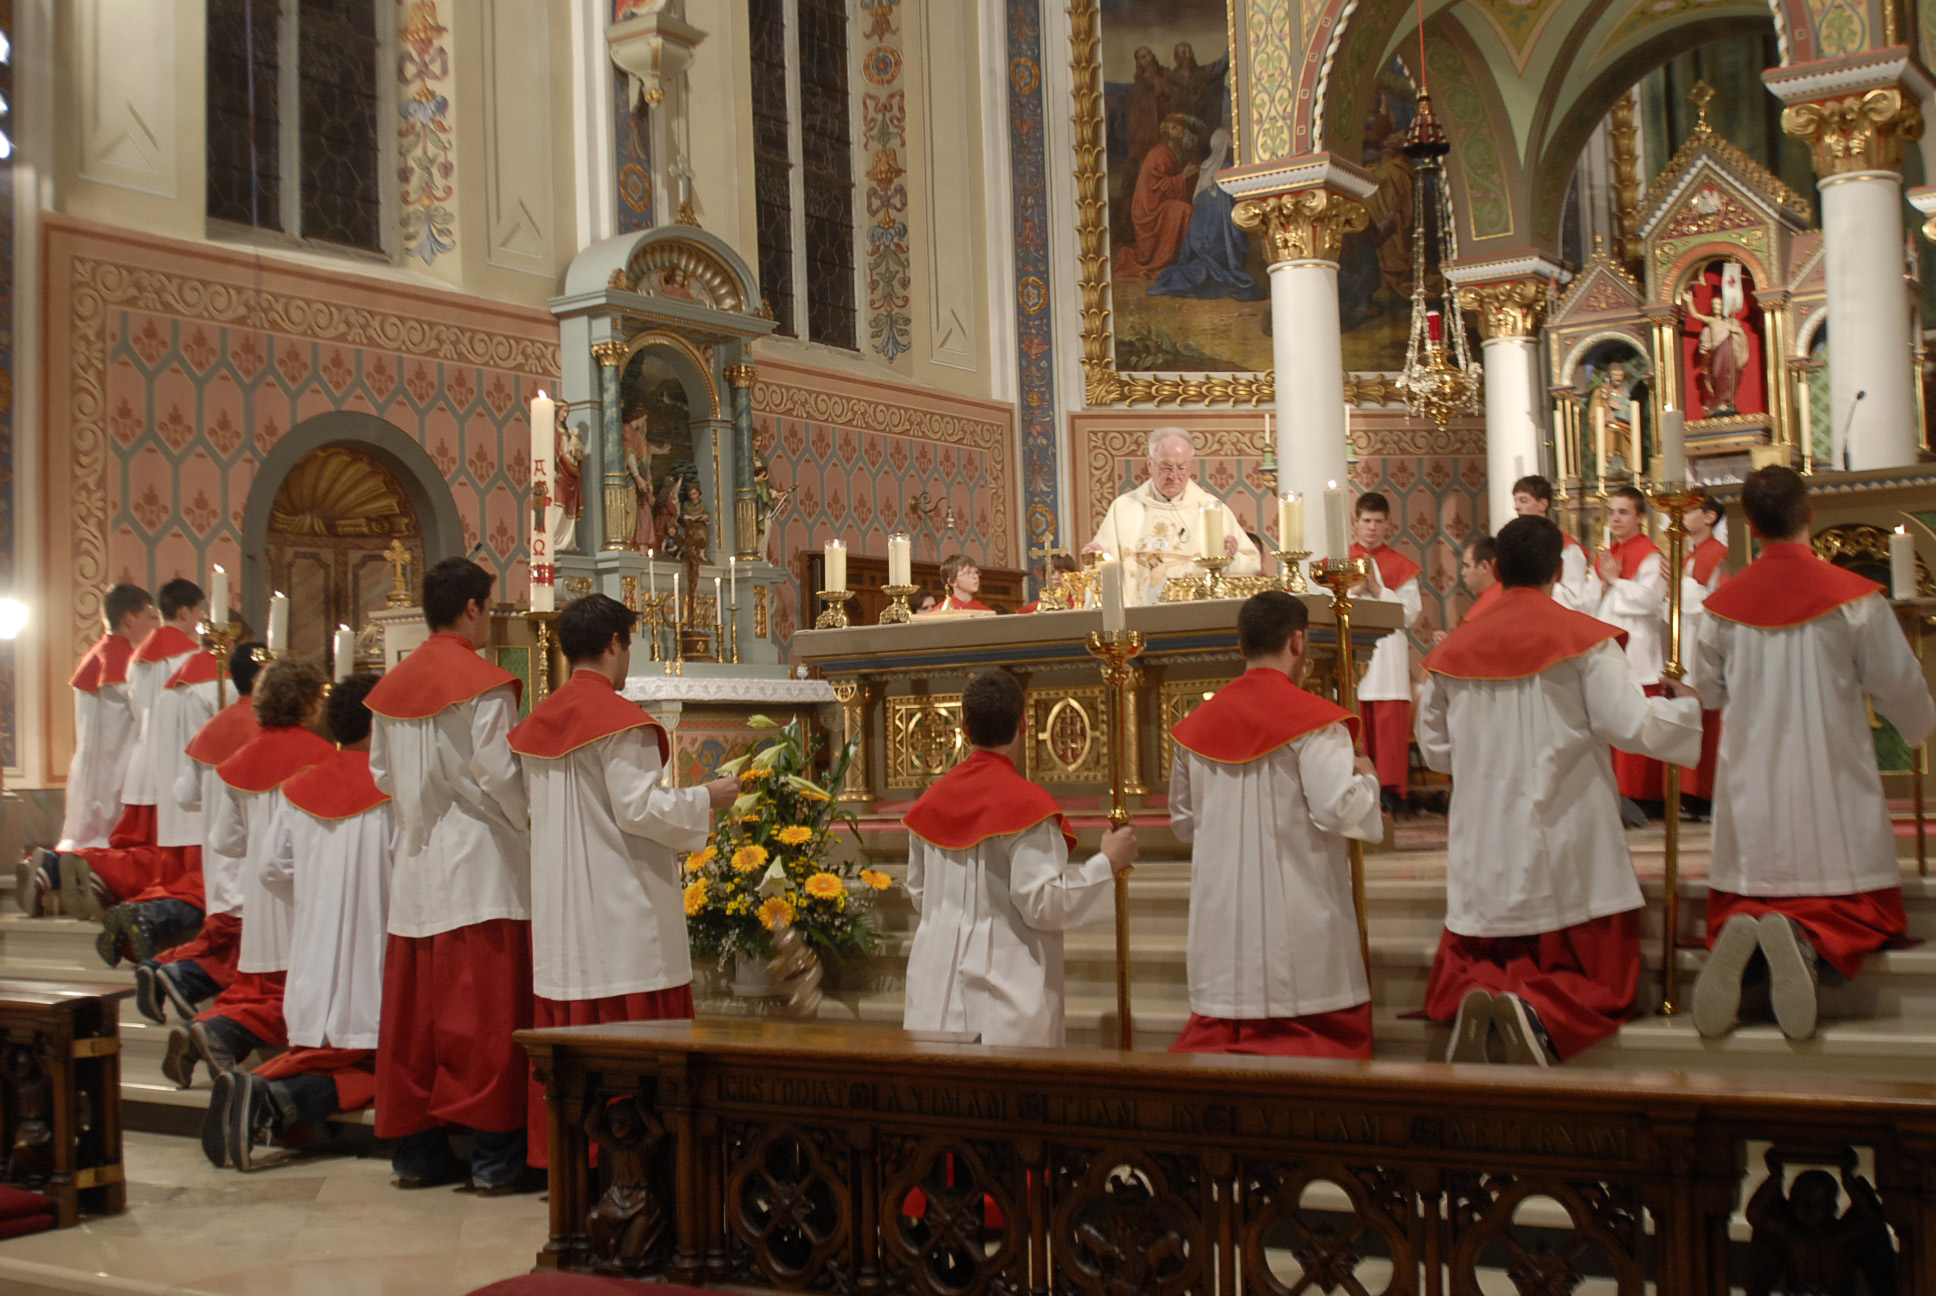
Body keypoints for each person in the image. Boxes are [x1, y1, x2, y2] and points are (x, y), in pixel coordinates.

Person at [1416, 516, 1701, 1065]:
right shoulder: (1584, 641)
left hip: (1485, 834)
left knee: (1492, 941)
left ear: (1498, 569)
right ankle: (1540, 1012)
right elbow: (1629, 725)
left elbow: (1435, 751)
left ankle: (1485, 993)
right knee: (1594, 972)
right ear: (1556, 570)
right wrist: (1684, 710)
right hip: (1565, 827)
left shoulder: (1452, 651)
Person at [1690, 466, 1936, 1042]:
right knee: (1858, 908)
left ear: (1751, 527)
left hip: (1752, 791)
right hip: (1832, 786)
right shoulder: (1854, 600)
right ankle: (1803, 941)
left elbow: (1707, 692)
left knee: (1749, 890)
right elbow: (1898, 686)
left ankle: (1752, 931)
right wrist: (1919, 727)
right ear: (1809, 515)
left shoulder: (1721, 607)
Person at [507, 595, 739, 1167]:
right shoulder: (619, 720)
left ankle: (574, 1164)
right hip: (622, 914)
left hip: (564, 914)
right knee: (638, 1045)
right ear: (614, 643)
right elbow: (639, 810)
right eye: (629, 645)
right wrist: (706, 798)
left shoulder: (538, 724)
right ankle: (638, 1164)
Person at [367, 558, 534, 1195]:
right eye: (488, 607)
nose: (488, 619)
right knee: (483, 1022)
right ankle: (494, 1161)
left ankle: (417, 1155)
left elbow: (381, 775)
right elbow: (498, 772)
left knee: (416, 1026)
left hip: (415, 865)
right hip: (481, 864)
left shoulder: (391, 688)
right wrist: (529, 820)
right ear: (471, 608)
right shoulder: (483, 683)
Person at [1168, 592, 1383, 1057]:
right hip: (1301, 917)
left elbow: (1183, 823)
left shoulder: (1193, 728)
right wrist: (1367, 782)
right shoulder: (1315, 722)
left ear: (1241, 646)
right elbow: (1336, 809)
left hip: (1224, 919)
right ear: (1298, 642)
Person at [211, 673, 394, 1172]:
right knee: (379, 1070)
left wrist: (316, 898)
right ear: (378, 725)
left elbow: (270, 868)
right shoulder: (391, 792)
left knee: (327, 1054)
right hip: (371, 963)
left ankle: (263, 1092)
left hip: (312, 959)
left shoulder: (300, 788)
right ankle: (271, 1100)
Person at [901, 669, 1138, 1046]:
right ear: (1024, 724)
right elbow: (1043, 904)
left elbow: (919, 893)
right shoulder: (1028, 806)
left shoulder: (927, 805)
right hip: (1004, 999)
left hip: (934, 997)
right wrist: (1106, 863)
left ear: (964, 727)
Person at [177, 659, 334, 1115]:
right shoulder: (322, 757)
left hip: (259, 900)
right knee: (295, 997)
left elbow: (226, 841)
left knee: (262, 990)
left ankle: (214, 1028)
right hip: (302, 892)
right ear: (308, 705)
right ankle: (221, 1033)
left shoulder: (238, 762)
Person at [139, 643, 264, 1038]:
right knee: (251, 959)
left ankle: (169, 970)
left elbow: (184, 795)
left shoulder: (213, 727)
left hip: (218, 867)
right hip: (251, 865)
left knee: (227, 945)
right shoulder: (266, 732)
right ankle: (182, 978)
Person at [31, 586, 156, 911]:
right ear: (129, 619)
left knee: (83, 833)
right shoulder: (123, 659)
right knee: (109, 838)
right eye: (150, 616)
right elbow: (147, 711)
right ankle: (92, 880)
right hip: (117, 766)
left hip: (89, 767)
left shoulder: (98, 653)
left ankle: (46, 872)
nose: (154, 625)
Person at [1084, 428, 1260, 604]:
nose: (1174, 476)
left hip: (1194, 614)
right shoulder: (1124, 508)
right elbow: (1102, 569)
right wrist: (1096, 559)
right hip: (1137, 614)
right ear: (1150, 464)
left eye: (1181, 468)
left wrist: (1230, 558)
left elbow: (1251, 563)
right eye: (1166, 467)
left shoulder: (1211, 508)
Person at [1595, 485, 1669, 815]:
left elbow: (1649, 600)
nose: (1615, 518)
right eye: (1611, 512)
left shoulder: (1651, 556)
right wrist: (1603, 584)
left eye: (1623, 512)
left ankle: (1645, 795)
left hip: (1640, 651)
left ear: (1640, 517)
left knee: (1639, 723)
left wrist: (1614, 581)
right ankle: (1621, 791)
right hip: (1613, 648)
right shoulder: (1611, 553)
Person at [1349, 492, 1422, 811]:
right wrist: (1355, 590)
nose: (1372, 527)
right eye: (1367, 520)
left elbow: (1410, 613)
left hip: (1388, 657)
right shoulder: (1340, 560)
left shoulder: (1400, 565)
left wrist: (1379, 590)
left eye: (1378, 521)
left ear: (1387, 524)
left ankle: (1390, 793)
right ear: (1355, 522)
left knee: (1388, 723)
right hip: (1353, 654)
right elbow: (1326, 604)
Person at [1676, 495, 1729, 818]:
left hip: (1705, 641)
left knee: (1709, 717)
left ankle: (1707, 793)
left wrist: (1680, 585)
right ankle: (1692, 792)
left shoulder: (1719, 554)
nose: (1683, 516)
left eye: (1689, 510)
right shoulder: (1690, 555)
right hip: (1688, 641)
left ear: (1709, 517)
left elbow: (1715, 599)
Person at [1113, 114, 1201, 281]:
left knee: (1187, 209)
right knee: (1184, 210)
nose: (1181, 129)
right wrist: (1183, 177)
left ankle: (1182, 257)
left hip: (1162, 204)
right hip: (1150, 210)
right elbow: (1155, 188)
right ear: (1167, 133)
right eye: (1175, 127)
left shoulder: (1176, 152)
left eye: (1181, 126)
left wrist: (1189, 176)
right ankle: (1174, 258)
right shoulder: (1157, 154)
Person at [1511, 476, 1599, 613]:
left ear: (1543, 504)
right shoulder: (1516, 543)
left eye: (1523, 500)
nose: (1517, 507)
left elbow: (1574, 598)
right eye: (1515, 501)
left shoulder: (1567, 547)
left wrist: (1534, 585)